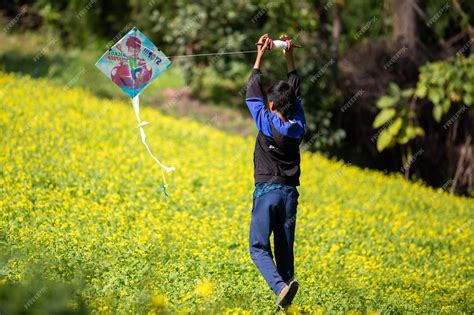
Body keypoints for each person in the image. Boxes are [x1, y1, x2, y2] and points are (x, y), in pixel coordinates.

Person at [246, 34, 306, 307]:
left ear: (271, 106)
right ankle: (289, 303)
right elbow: (294, 94)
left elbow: (252, 91)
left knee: (258, 248)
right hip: (289, 197)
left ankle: (281, 289)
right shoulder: (298, 127)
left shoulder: (265, 121)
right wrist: (288, 55)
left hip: (267, 193)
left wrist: (260, 54)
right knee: (284, 252)